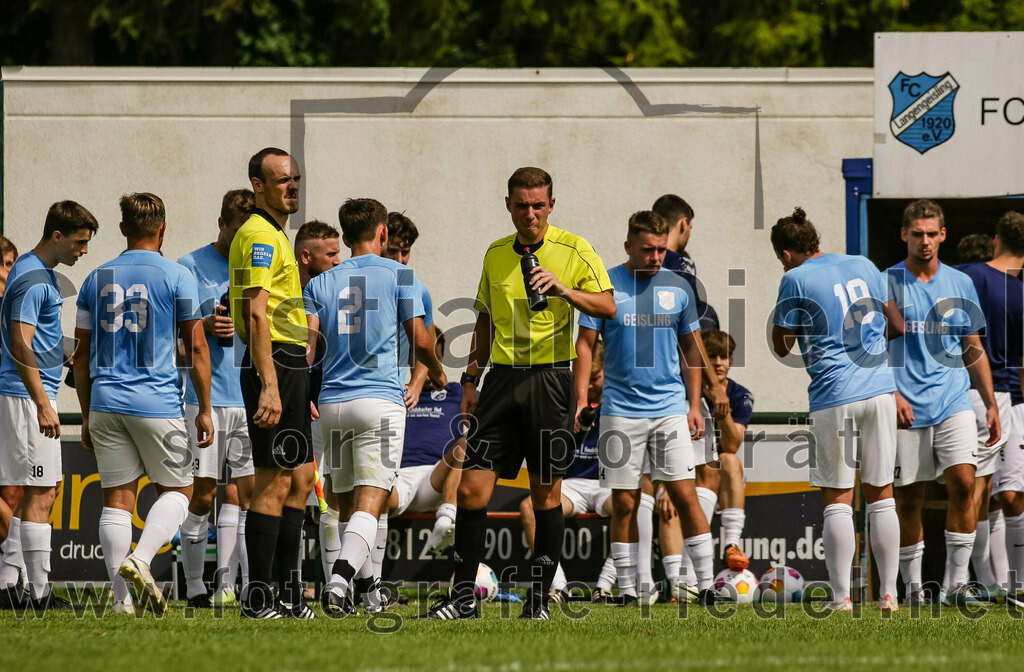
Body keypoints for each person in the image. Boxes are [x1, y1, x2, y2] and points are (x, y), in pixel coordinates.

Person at [420, 167, 615, 620]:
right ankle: (462, 600)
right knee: (470, 491)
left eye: (538, 205)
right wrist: (470, 379)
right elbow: (484, 321)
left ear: (551, 205)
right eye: (522, 205)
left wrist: (564, 290)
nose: (530, 213)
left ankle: (538, 600)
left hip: (551, 381)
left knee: (546, 495)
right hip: (500, 383)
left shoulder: (575, 249)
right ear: (508, 204)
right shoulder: (494, 253)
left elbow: (607, 305)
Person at [73, 193, 214, 615]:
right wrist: (205, 407)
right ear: (162, 228)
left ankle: (121, 603)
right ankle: (141, 557)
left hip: (104, 400)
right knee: (180, 491)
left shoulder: (94, 277)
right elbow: (198, 346)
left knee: (117, 500)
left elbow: (80, 355)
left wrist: (85, 413)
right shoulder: (176, 275)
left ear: (122, 229)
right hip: (156, 403)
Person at [308, 198, 445, 615]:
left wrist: (303, 396)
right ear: (383, 233)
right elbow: (421, 340)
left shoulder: (320, 283)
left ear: (344, 238)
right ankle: (337, 582)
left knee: (345, 506)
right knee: (372, 502)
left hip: (331, 403)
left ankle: (369, 594)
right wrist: (437, 371)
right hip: (378, 401)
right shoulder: (400, 273)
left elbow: (307, 351)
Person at [575, 210, 718, 607]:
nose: (656, 257)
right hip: (619, 409)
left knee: (686, 495)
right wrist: (582, 398)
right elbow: (585, 344)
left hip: (670, 408)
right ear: (628, 248)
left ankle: (705, 587)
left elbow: (692, 348)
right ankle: (625, 590)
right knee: (624, 502)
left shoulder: (679, 287)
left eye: (661, 249)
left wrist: (694, 404)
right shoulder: (604, 285)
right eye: (648, 250)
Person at [771, 206, 903, 612]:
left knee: (838, 498)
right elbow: (897, 325)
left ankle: (842, 598)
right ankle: (889, 596)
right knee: (882, 495)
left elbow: (782, 345)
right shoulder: (863, 262)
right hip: (881, 389)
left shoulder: (794, 277)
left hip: (834, 394)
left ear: (786, 254)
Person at [887, 199, 1000, 606]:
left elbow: (972, 347)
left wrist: (988, 401)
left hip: (954, 400)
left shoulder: (960, 283)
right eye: (917, 234)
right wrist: (893, 393)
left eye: (932, 233)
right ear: (904, 235)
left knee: (965, 483)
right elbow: (875, 348)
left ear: (943, 235)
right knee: (910, 496)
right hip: (906, 407)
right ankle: (914, 588)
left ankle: (956, 583)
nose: (925, 242)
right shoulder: (888, 282)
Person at [228, 147, 315, 619]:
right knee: (273, 481)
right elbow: (256, 310)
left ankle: (287, 593)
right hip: (274, 362)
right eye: (282, 180)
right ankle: (257, 597)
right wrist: (270, 384)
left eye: (295, 179)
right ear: (258, 186)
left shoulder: (276, 233)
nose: (292, 186)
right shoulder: (260, 234)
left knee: (300, 479)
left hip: (289, 363)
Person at [0, 202, 95, 611]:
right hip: (25, 397)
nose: (84, 251)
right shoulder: (36, 279)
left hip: (26, 394)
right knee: (42, 491)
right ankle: (38, 595)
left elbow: (35, 341)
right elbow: (20, 342)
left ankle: (8, 585)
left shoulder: (32, 271)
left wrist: (68, 355)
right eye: (79, 242)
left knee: (36, 490)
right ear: (57, 235)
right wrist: (42, 402)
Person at [176, 189, 256, 609]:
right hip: (203, 399)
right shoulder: (189, 266)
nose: (242, 242)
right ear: (221, 224)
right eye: (235, 232)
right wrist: (203, 326)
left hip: (250, 397)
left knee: (251, 496)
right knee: (203, 495)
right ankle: (193, 588)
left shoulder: (258, 263)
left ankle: (247, 588)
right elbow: (167, 337)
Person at [956, 212, 1024, 602]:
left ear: (996, 239)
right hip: (998, 396)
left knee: (981, 490)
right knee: (993, 490)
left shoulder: (964, 275)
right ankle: (993, 581)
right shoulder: (1013, 292)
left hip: (956, 391)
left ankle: (988, 580)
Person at [658, 328, 754, 598]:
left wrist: (718, 403)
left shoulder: (740, 394)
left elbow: (732, 444)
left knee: (729, 460)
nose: (719, 363)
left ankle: (731, 544)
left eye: (725, 357)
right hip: (673, 471)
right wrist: (666, 486)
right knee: (671, 501)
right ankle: (678, 583)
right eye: (711, 356)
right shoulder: (682, 391)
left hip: (710, 477)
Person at [519, 336, 614, 603]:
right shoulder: (566, 399)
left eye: (596, 377)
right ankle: (556, 586)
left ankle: (605, 586)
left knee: (634, 506)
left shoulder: (620, 400)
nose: (590, 383)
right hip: (572, 484)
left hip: (608, 484)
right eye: (586, 377)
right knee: (529, 507)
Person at [293, 220, 345, 587]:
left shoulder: (333, 290)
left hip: (330, 404)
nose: (339, 261)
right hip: (296, 405)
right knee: (291, 491)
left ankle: (334, 587)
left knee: (333, 496)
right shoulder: (286, 293)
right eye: (331, 254)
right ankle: (288, 584)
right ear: (306, 256)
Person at [387, 329, 464, 554]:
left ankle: (446, 519)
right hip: (399, 476)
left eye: (433, 357)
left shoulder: (456, 392)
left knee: (464, 445)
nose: (428, 364)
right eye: (422, 357)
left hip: (437, 479)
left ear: (440, 358)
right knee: (373, 497)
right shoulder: (396, 393)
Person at [651, 194, 719, 331]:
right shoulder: (681, 263)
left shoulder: (643, 260)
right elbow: (691, 312)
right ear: (683, 224)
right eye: (690, 227)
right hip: (676, 340)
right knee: (707, 313)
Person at [0, 236, 25, 552]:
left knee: (13, 492)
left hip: (11, 401)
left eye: (9, 264)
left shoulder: (17, 304)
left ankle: (9, 577)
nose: (4, 272)